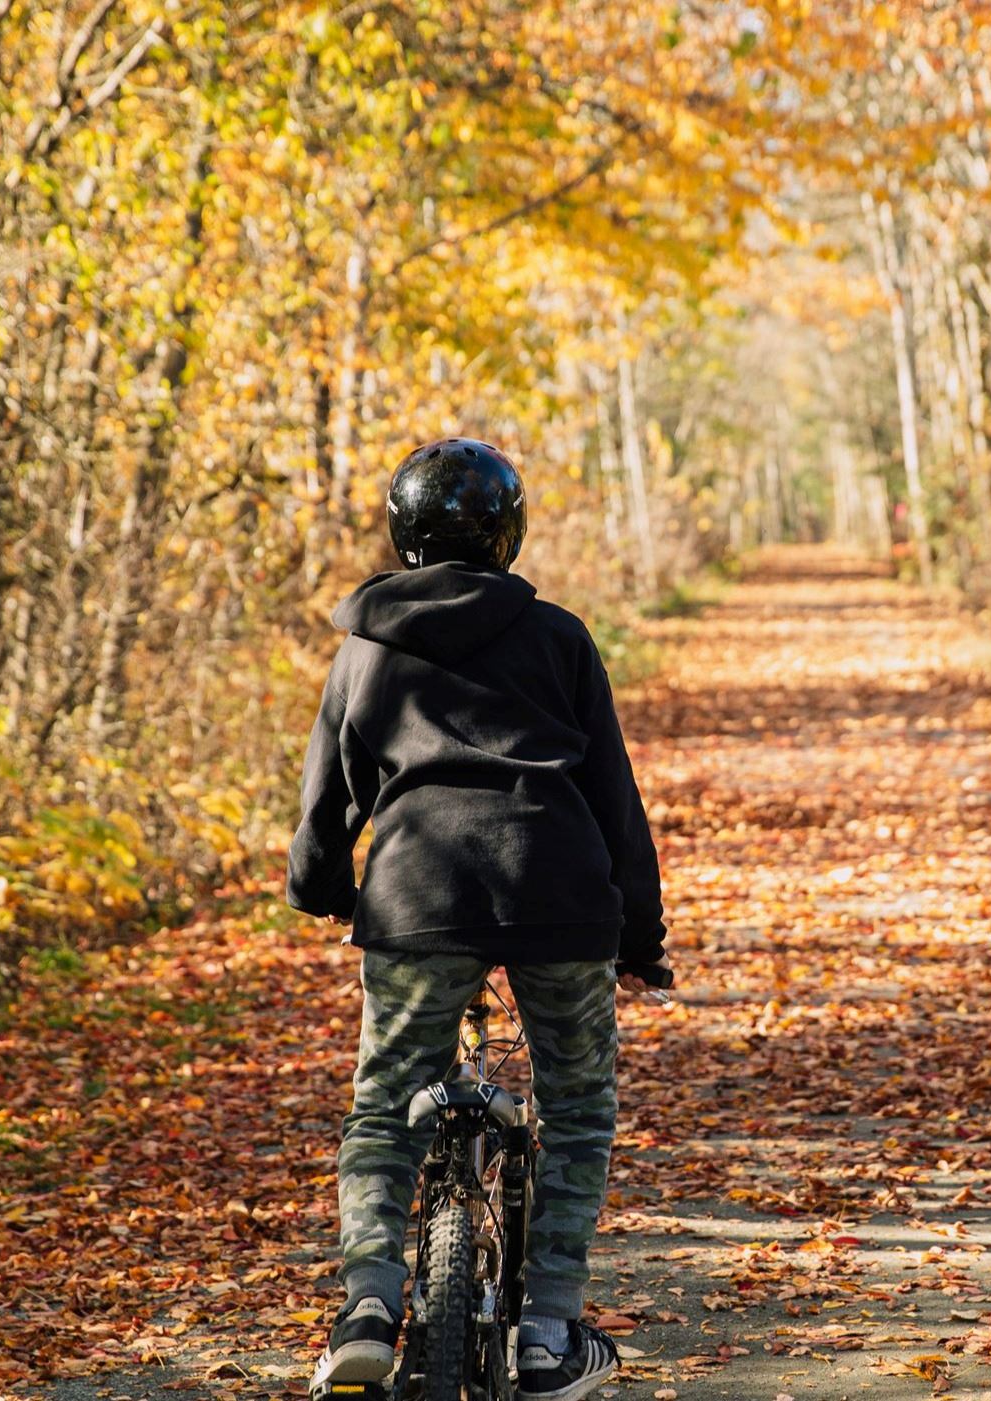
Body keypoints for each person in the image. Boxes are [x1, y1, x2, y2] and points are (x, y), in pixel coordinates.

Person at [288, 438, 672, 1399]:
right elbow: (611, 796)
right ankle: (546, 1331)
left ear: (402, 534)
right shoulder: (559, 637)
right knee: (576, 1108)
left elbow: (329, 798)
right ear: (509, 533)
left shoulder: (366, 649)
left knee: (383, 1112)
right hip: (560, 891)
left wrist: (324, 887)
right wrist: (641, 935)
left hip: (418, 893)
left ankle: (369, 1305)